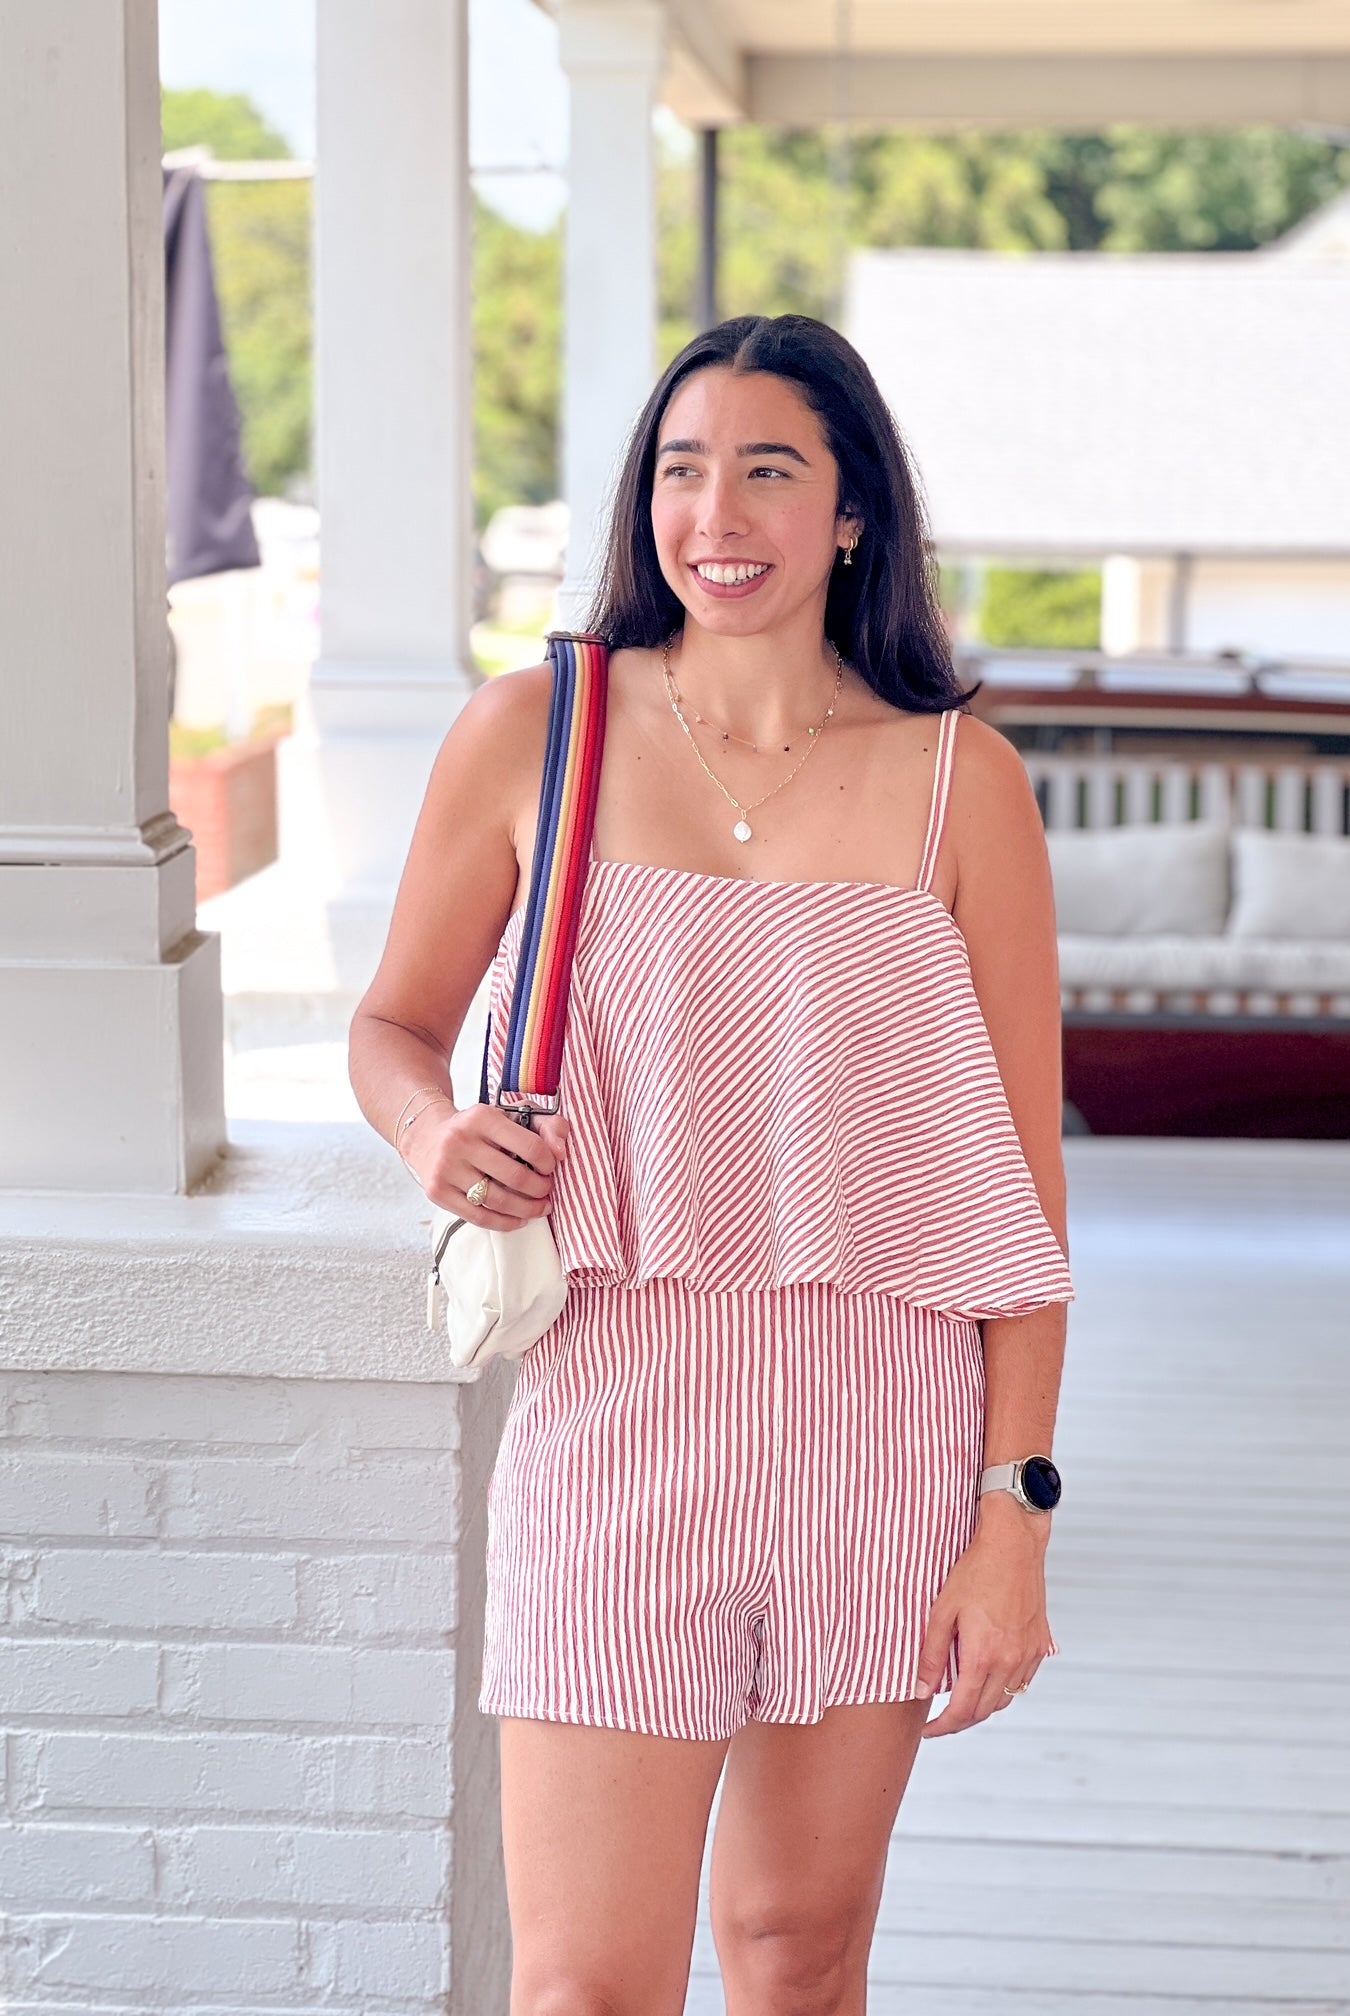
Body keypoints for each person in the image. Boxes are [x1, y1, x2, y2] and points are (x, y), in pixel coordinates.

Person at [349, 313, 1074, 2016]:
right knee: (586, 1987)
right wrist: (431, 1131)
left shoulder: (963, 786)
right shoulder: (535, 731)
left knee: (795, 1957)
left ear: (849, 515)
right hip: (616, 1411)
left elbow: (1022, 1198)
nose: (715, 512)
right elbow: (392, 1028)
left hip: (882, 1426)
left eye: (768, 469)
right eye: (682, 471)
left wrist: (1012, 1520)